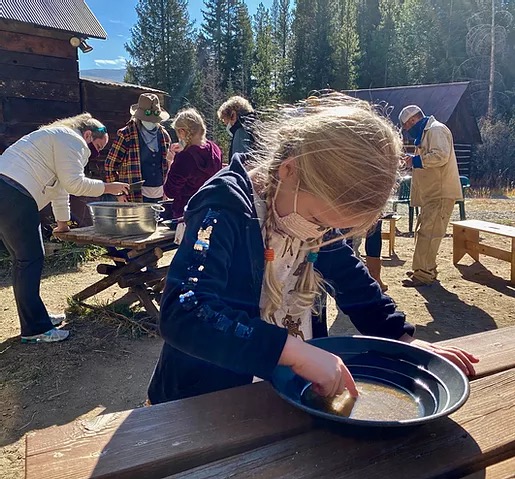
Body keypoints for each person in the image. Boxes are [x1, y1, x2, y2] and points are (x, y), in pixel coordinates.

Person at [147, 94, 477, 405]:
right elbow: (184, 311)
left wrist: (401, 338)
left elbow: (349, 276)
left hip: (278, 395)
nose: (318, 234)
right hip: (205, 401)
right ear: (288, 170)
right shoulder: (222, 208)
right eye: (319, 220)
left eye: (330, 229)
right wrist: (294, 352)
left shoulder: (305, 208)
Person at [0, 113, 129, 343]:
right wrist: (110, 187)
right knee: (29, 260)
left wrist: (62, 224)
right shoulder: (72, 140)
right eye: (96, 147)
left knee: (24, 261)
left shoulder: (55, 138)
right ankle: (36, 329)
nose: (94, 153)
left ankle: (36, 319)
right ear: (88, 134)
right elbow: (74, 183)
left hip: (8, 192)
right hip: (15, 194)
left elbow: (60, 188)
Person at [399, 105, 462, 287]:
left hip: (440, 193)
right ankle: (424, 268)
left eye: (408, 126)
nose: (408, 130)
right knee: (425, 231)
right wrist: (412, 159)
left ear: (413, 120)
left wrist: (416, 160)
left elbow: (440, 156)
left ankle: (423, 274)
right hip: (432, 193)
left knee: (429, 233)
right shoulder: (427, 133)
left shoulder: (436, 130)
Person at [105, 93, 172, 203]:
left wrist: (167, 190)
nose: (151, 122)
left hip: (159, 195)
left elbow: (168, 166)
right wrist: (119, 193)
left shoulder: (164, 136)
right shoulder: (126, 134)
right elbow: (110, 165)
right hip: (133, 196)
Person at [163, 108, 223, 219]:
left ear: (182, 131)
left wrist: (171, 162)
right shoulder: (215, 149)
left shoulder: (184, 158)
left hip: (188, 214)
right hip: (211, 211)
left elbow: (170, 191)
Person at [217, 95, 255, 161]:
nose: (226, 124)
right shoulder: (257, 127)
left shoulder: (241, 132)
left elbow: (239, 164)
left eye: (225, 120)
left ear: (233, 115)